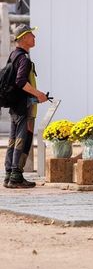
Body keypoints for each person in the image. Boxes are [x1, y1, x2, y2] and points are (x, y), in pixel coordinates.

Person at [3, 24, 48, 189]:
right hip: (24, 107)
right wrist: (38, 94)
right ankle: (16, 176)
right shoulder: (24, 59)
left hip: (15, 105)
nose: (34, 38)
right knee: (23, 140)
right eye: (31, 35)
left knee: (12, 140)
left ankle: (9, 175)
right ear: (23, 38)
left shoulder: (13, 55)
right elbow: (21, 82)